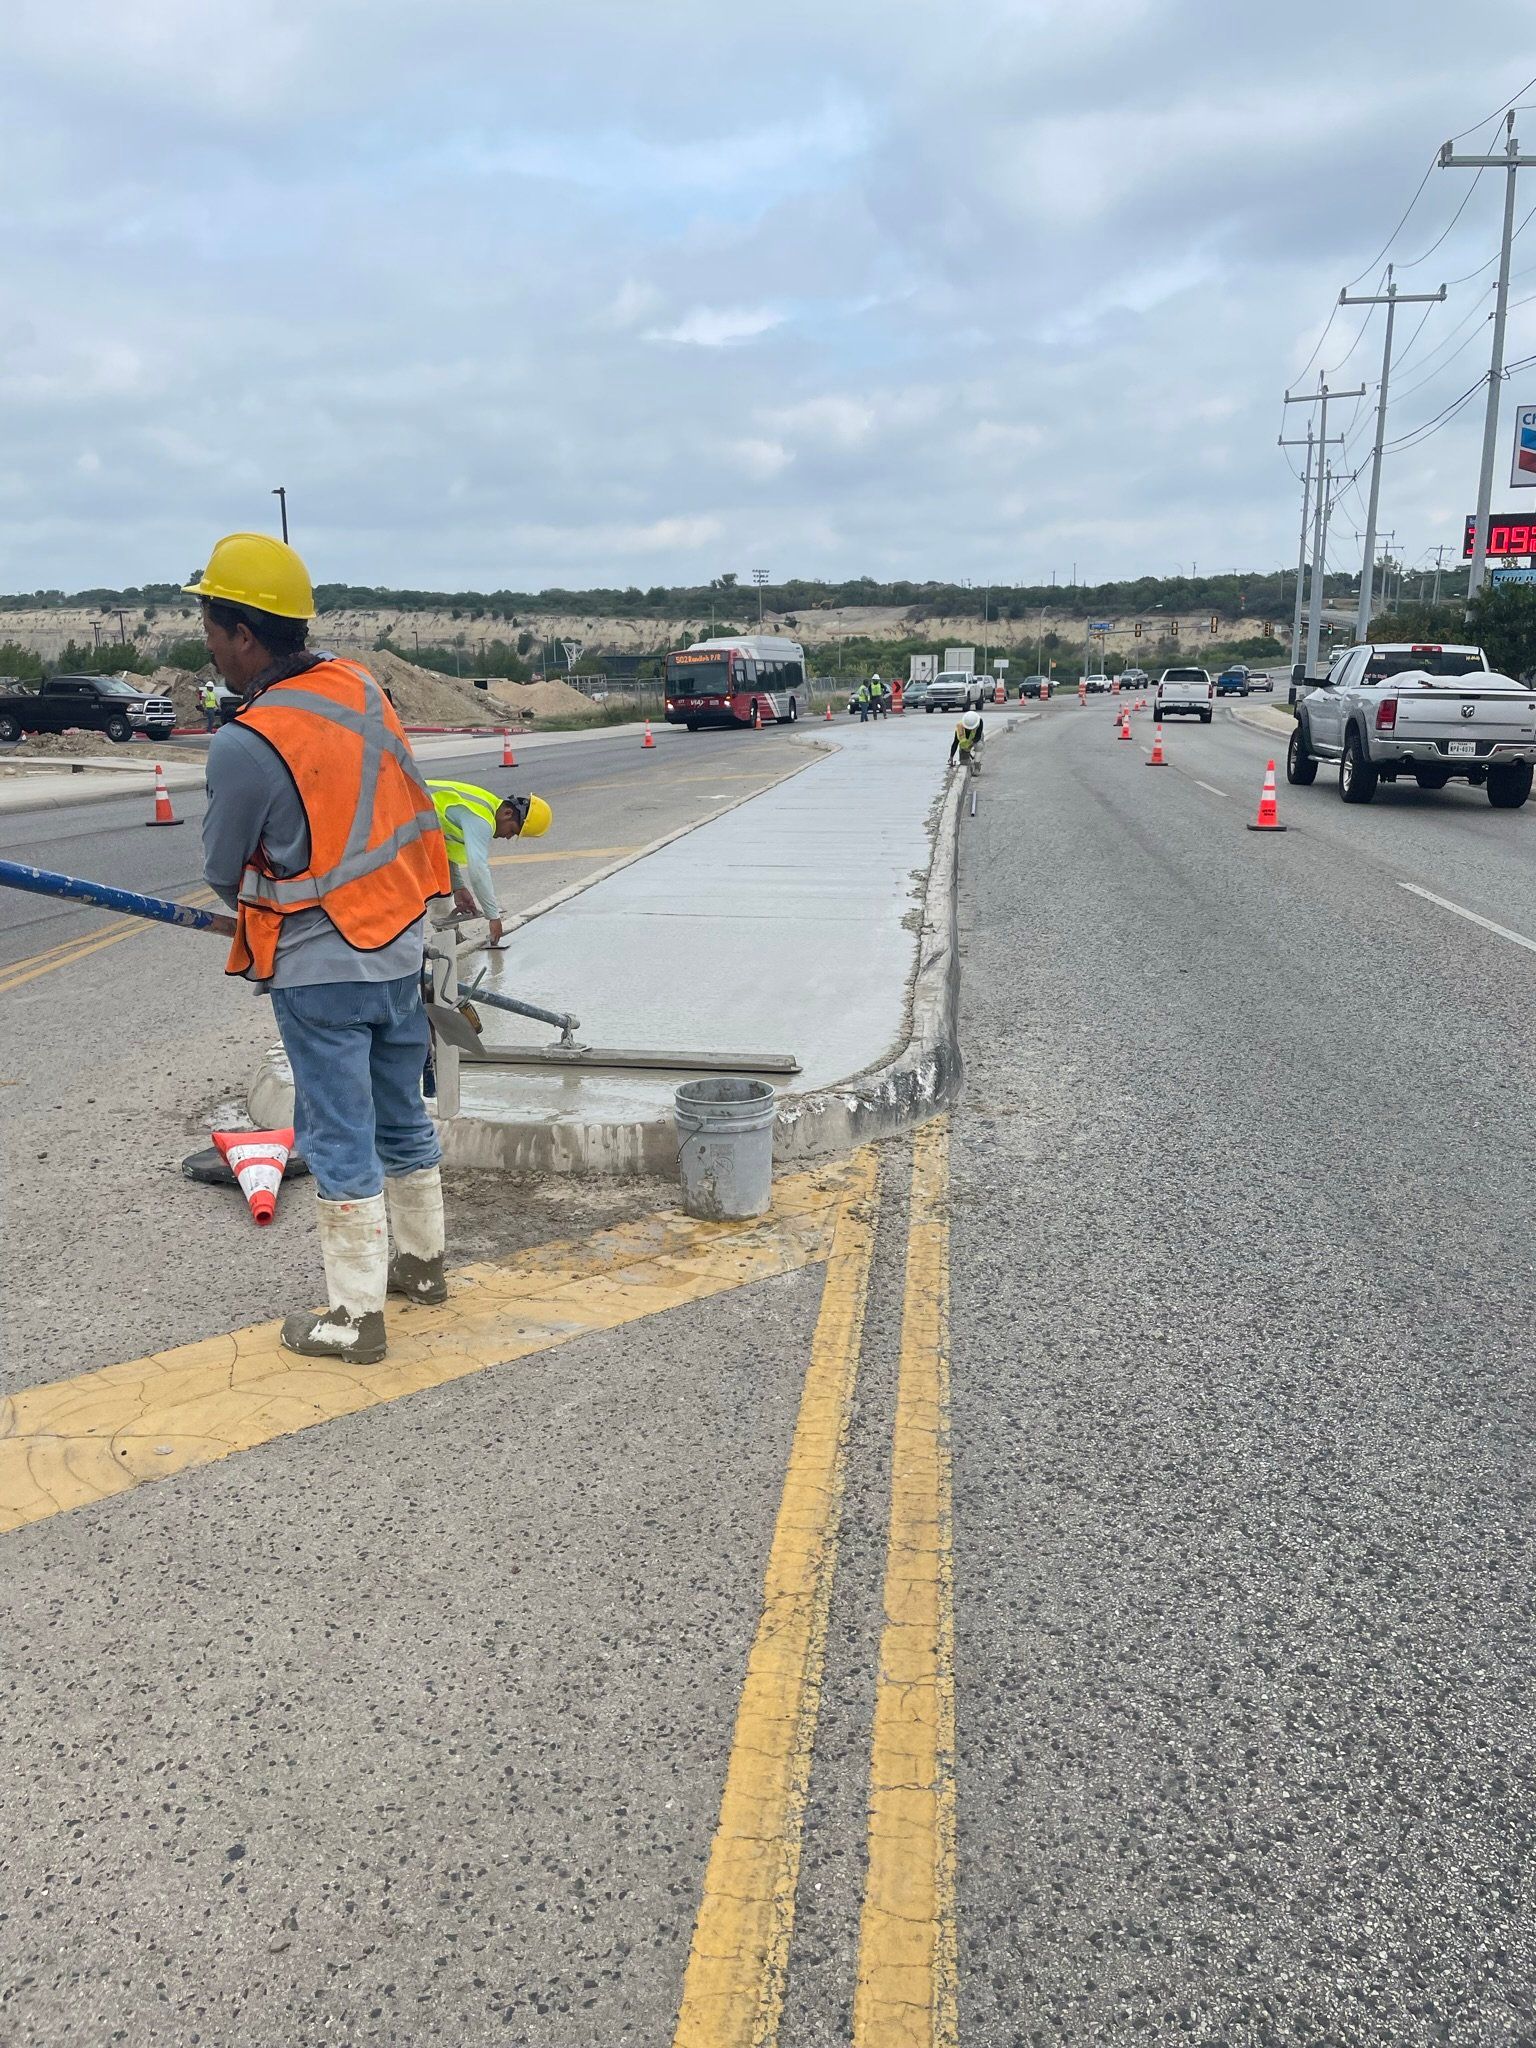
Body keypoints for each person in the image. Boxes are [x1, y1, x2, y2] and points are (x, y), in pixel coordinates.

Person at [193, 531, 452, 1365]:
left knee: (339, 1136)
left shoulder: (248, 742)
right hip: (400, 948)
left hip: (321, 965)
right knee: (402, 1114)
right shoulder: (359, 687)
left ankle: (353, 1318)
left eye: (211, 625)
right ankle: (423, 1265)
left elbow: (218, 872)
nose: (208, 643)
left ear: (243, 633)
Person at [427, 779, 552, 948]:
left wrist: (458, 887)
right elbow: (478, 869)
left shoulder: (487, 805)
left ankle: (449, 942)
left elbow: (442, 850)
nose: (508, 836)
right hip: (394, 810)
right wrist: (493, 917)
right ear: (508, 813)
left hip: (402, 812)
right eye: (512, 830)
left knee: (438, 890)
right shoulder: (481, 818)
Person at [949, 707, 985, 774]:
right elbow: (955, 742)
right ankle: (970, 761)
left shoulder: (979, 722)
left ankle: (977, 766)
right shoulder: (959, 728)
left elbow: (978, 737)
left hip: (975, 741)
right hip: (964, 747)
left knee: (979, 746)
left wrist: (971, 745)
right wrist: (951, 757)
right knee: (964, 763)